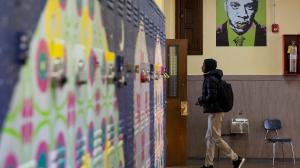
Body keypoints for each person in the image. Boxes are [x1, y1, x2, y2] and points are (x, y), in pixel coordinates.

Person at [198, 59, 245, 168]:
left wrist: (201, 100)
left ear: (208, 66)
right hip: (214, 111)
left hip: (216, 112)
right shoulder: (213, 78)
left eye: (203, 65)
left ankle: (236, 158)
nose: (202, 66)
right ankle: (208, 164)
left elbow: (212, 97)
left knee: (216, 138)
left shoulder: (211, 79)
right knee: (209, 138)